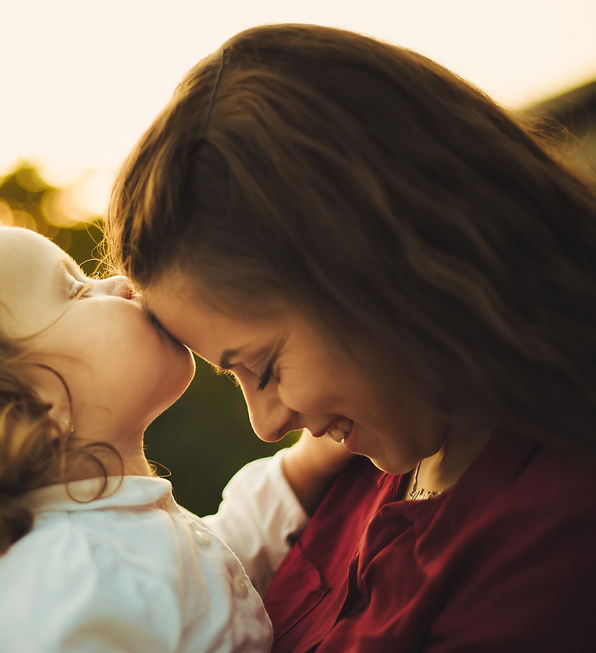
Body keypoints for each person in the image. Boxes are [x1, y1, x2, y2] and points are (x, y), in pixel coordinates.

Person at [107, 23, 596, 652]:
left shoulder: (550, 535)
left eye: (265, 366)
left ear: (379, 267)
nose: (265, 425)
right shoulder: (354, 467)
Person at [0, 209, 346, 653]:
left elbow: (218, 579)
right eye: (76, 290)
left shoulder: (108, 545)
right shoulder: (52, 588)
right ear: (20, 406)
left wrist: (306, 464)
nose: (118, 284)